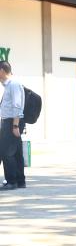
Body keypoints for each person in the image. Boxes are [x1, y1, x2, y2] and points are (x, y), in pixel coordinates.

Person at [0, 61, 26, 190]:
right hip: (11, 122)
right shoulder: (9, 85)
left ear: (2, 71)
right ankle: (20, 181)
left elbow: (17, 106)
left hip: (12, 122)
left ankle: (11, 181)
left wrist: (15, 126)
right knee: (16, 153)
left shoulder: (13, 85)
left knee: (6, 152)